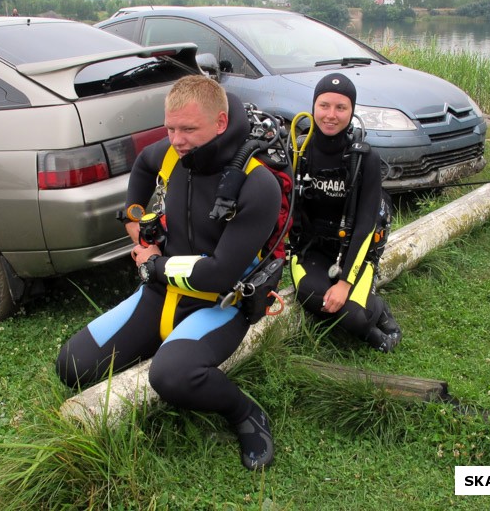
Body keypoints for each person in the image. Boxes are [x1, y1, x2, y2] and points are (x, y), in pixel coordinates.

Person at [56, 75, 282, 470]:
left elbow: (217, 274)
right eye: (170, 128)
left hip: (220, 303)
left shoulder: (257, 183)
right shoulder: (174, 152)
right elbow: (143, 165)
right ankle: (163, 346)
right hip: (161, 292)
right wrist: (135, 221)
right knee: (71, 366)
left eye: (189, 129)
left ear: (221, 122)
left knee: (172, 377)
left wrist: (152, 263)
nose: (176, 139)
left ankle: (246, 414)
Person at [289, 73, 402, 352]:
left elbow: (365, 224)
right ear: (313, 106)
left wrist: (345, 282)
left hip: (353, 249)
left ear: (352, 111)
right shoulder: (298, 151)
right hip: (310, 250)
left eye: (341, 108)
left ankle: (378, 311)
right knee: (316, 298)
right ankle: (372, 332)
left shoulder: (365, 158)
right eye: (324, 105)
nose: (331, 115)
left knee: (354, 316)